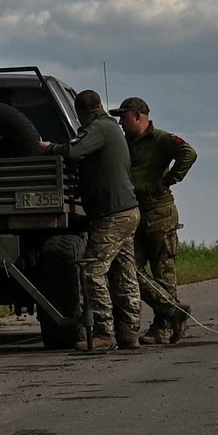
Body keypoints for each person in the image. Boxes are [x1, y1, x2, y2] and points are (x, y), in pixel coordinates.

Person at [40, 89, 142, 350]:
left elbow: (74, 152)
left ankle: (105, 334)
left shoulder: (99, 128)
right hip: (126, 211)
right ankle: (129, 332)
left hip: (112, 215)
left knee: (93, 271)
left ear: (80, 112)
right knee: (124, 273)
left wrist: (49, 147)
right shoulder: (110, 128)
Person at [116, 96, 196, 343]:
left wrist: (168, 180)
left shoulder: (160, 139)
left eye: (124, 116)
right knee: (130, 270)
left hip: (160, 213)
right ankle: (173, 312)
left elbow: (188, 153)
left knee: (163, 271)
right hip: (135, 213)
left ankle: (162, 327)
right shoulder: (125, 143)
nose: (121, 122)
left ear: (138, 116)